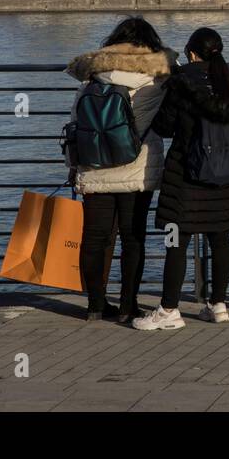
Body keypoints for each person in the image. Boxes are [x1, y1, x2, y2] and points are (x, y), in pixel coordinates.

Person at [134, 27, 229, 331]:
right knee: (220, 237)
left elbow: (164, 126)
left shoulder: (182, 83)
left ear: (191, 54)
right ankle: (218, 305)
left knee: (177, 241)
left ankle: (169, 309)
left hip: (186, 174)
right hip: (226, 174)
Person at [65, 17, 173, 323]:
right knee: (132, 236)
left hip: (94, 164)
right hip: (136, 169)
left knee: (94, 236)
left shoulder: (92, 76)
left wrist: (73, 167)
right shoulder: (158, 77)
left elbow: (75, 123)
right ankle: (128, 306)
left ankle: (95, 306)